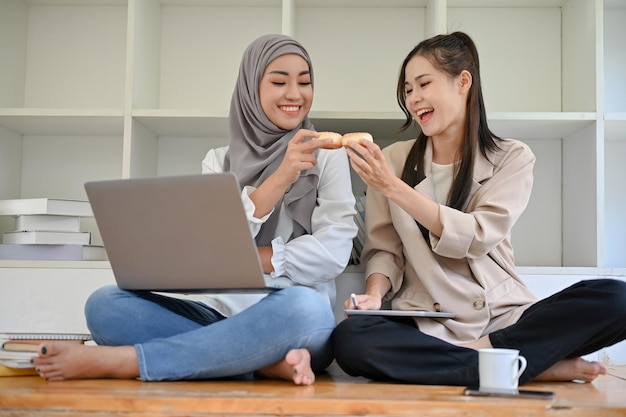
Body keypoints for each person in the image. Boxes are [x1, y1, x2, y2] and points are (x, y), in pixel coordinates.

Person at [32, 34, 358, 385]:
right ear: (250, 88)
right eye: (279, 81)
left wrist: (246, 258)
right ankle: (259, 362)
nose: (295, 94)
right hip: (216, 313)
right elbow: (214, 249)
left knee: (305, 308)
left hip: (291, 318)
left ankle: (131, 362)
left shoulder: (328, 154)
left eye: (305, 82)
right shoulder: (219, 161)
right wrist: (280, 178)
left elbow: (332, 253)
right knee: (106, 304)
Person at [332, 31, 626, 386]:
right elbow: (384, 251)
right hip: (429, 321)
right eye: (408, 90)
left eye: (424, 84)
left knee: (616, 299)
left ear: (463, 82)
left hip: (502, 317)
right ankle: (528, 365)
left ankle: (484, 358)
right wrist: (375, 295)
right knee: (351, 340)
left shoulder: (511, 158)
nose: (414, 99)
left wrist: (394, 188)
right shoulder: (393, 159)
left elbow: (477, 236)